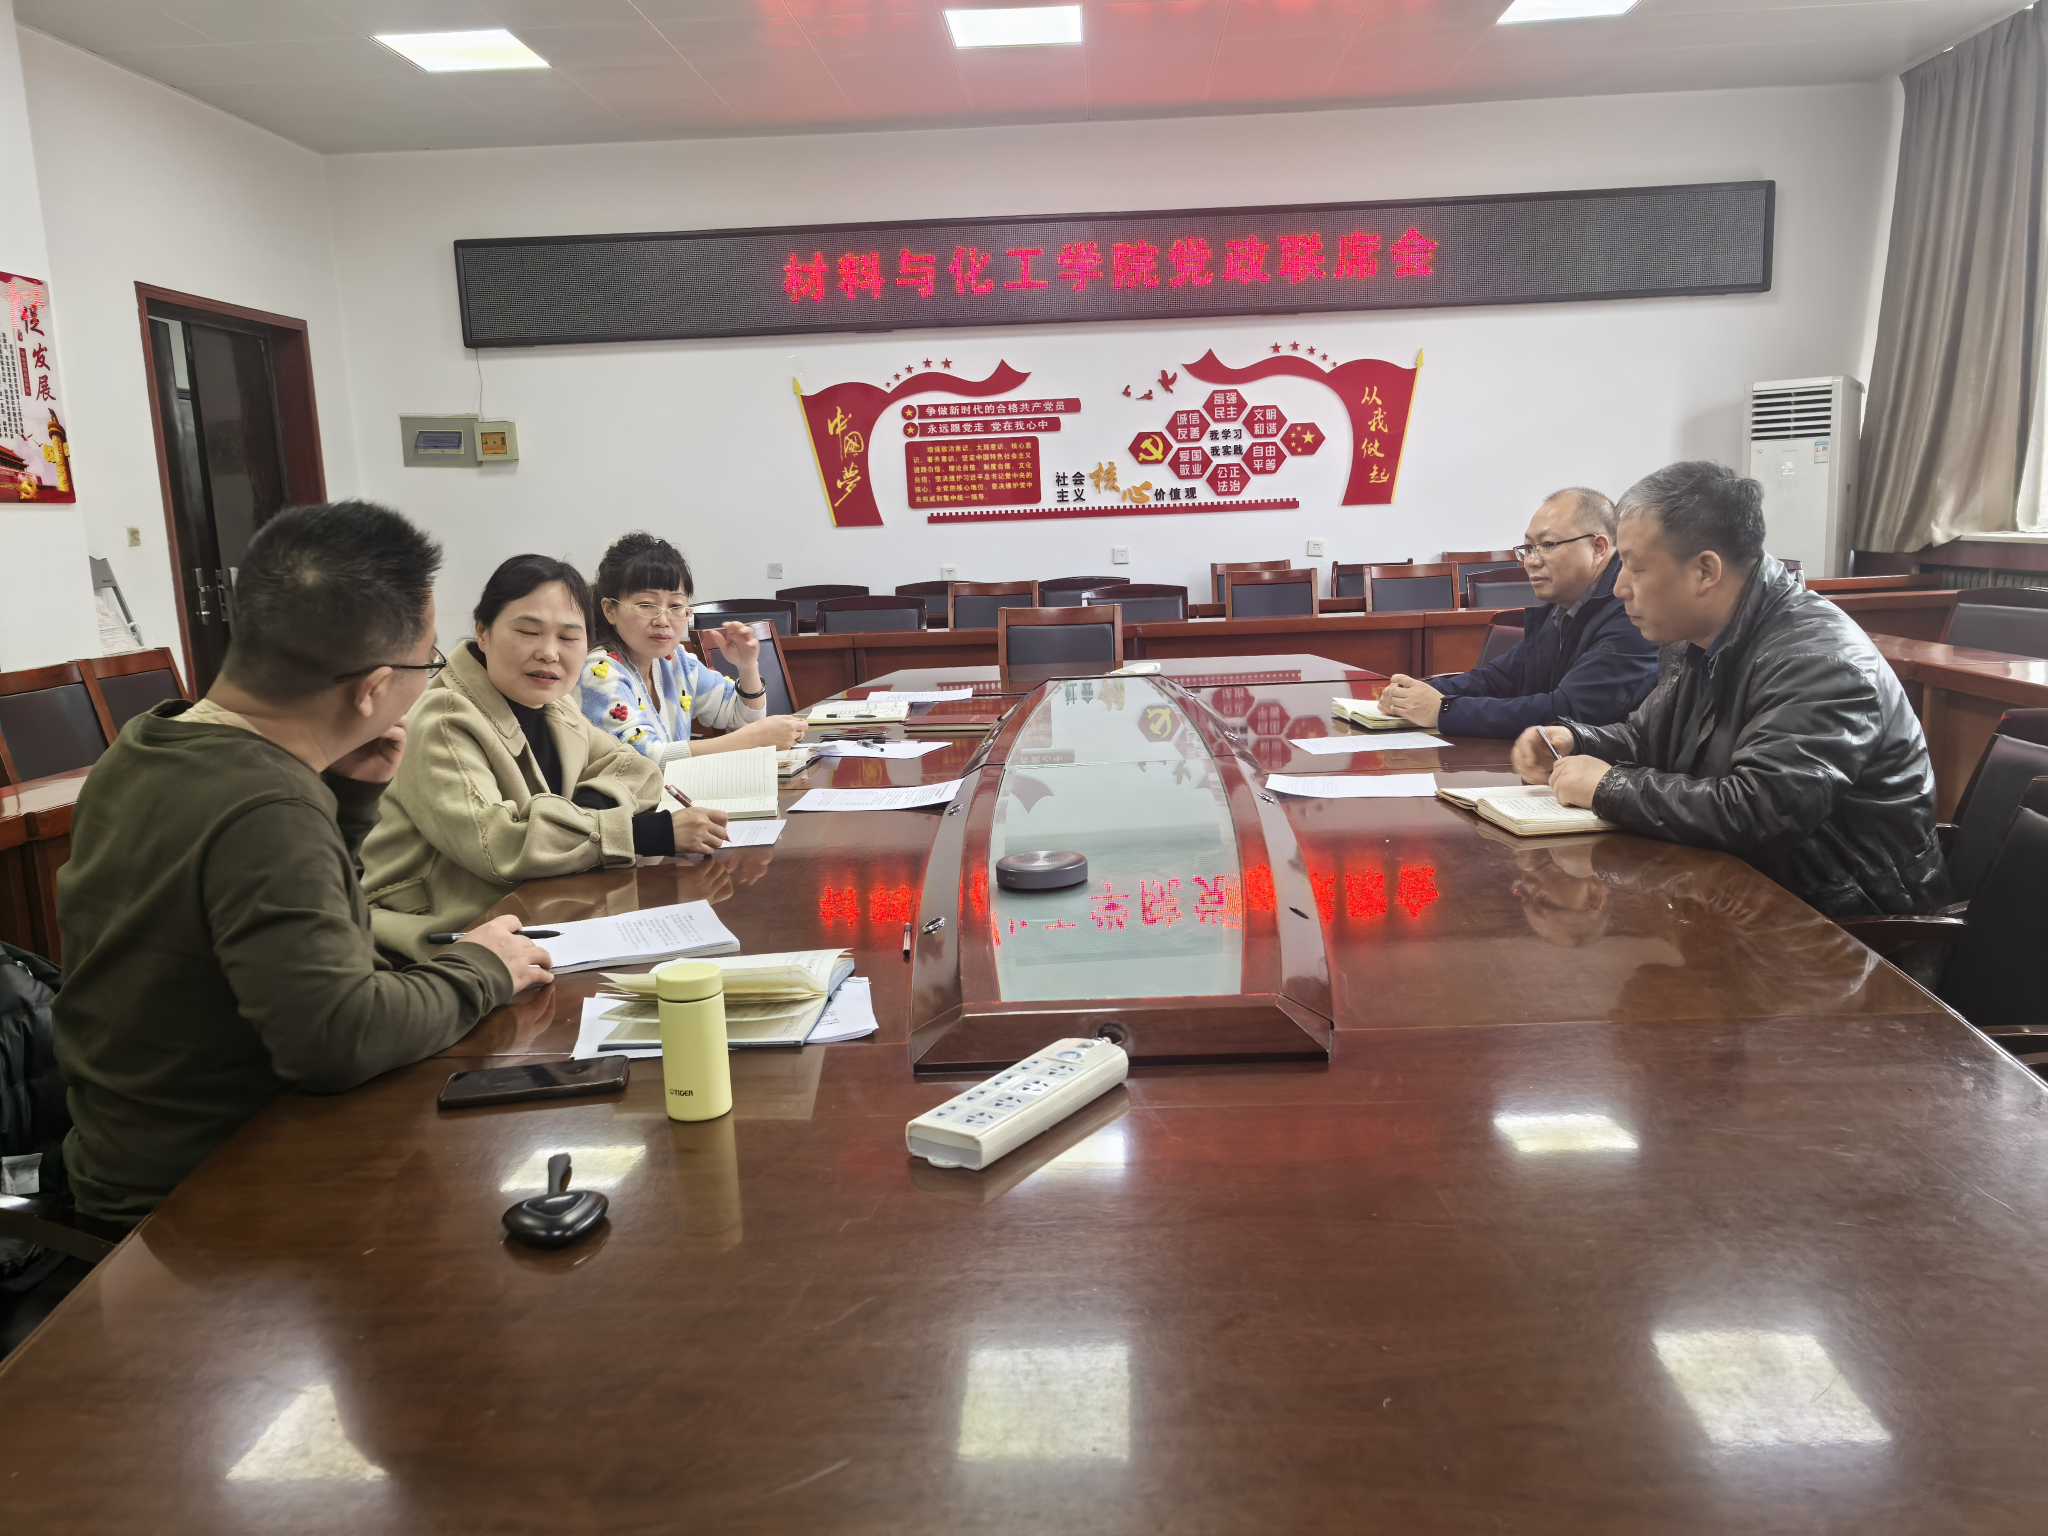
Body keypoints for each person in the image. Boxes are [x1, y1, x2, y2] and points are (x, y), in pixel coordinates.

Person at [52, 502, 553, 1225]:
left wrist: (347, 802)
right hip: (204, 1196)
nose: (429, 679)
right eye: (429, 663)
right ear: (372, 689)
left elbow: (294, 930)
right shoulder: (267, 805)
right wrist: (484, 967)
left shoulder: (150, 741)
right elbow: (340, 1039)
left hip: (128, 1151)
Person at [1512, 460, 1945, 918]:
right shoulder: (1696, 634)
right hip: (1742, 899)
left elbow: (1758, 811)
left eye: (1635, 568)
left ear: (1705, 571)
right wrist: (1577, 741)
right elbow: (1649, 738)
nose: (1618, 588)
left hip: (1844, 927)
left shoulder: (1819, 660)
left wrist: (1607, 787)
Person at [363, 555, 730, 960]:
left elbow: (637, 769)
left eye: (569, 637)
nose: (550, 653)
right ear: (483, 632)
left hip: (546, 904)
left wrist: (577, 818)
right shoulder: (445, 718)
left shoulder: (554, 702)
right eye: (528, 632)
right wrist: (643, 833)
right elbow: (499, 845)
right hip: (446, 932)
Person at [1375, 487, 1658, 736]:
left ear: (1598, 547)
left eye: (1547, 545)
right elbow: (1497, 679)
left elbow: (1569, 711)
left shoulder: (1632, 612)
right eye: (1528, 548)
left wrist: (1443, 710)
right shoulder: (1561, 608)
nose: (1531, 561)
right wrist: (1418, 692)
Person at [580, 532, 806, 763]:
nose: (663, 620)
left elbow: (744, 718)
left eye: (676, 605)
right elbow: (643, 760)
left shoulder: (674, 660)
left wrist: (747, 667)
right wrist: (754, 739)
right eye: (646, 604)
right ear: (610, 610)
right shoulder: (598, 671)